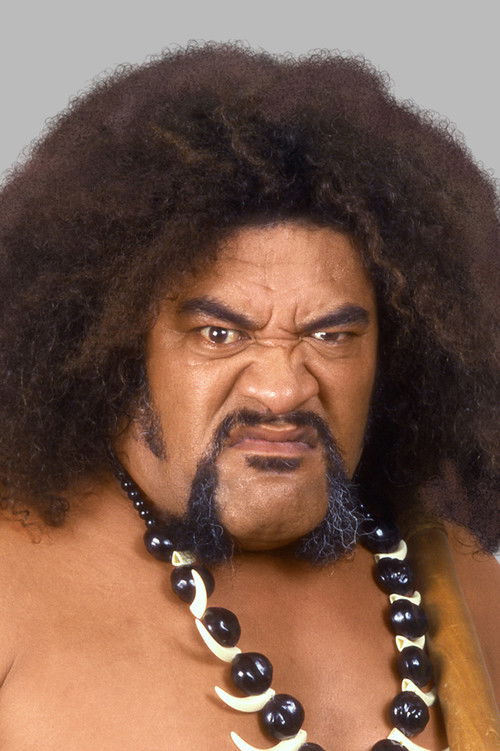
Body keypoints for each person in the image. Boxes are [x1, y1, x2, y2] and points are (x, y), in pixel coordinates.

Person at [0, 43, 498, 751]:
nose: (281, 388)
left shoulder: (468, 588)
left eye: (331, 336)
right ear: (115, 346)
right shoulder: (11, 590)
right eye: (219, 334)